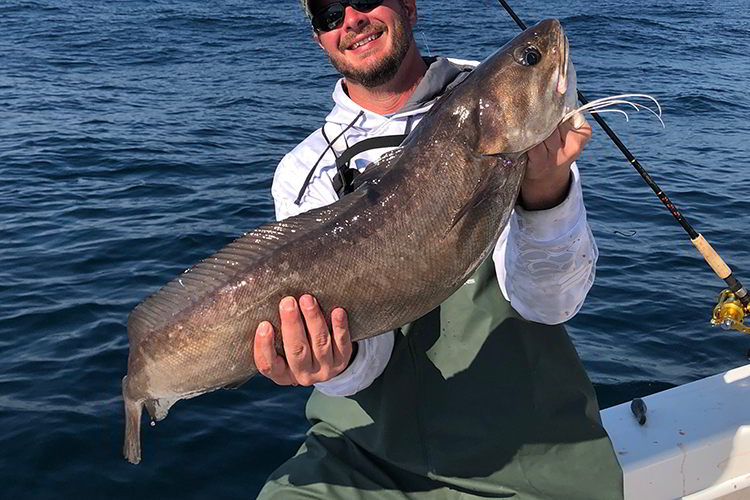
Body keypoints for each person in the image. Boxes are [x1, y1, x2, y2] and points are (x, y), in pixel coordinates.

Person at [255, 1, 624, 498]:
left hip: (530, 450)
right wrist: (333, 362)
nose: (350, 20)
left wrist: (547, 187)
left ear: (409, 6)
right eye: (327, 14)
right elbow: (363, 367)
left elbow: (551, 303)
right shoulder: (304, 171)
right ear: (318, 37)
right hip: (364, 453)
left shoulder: (496, 99)